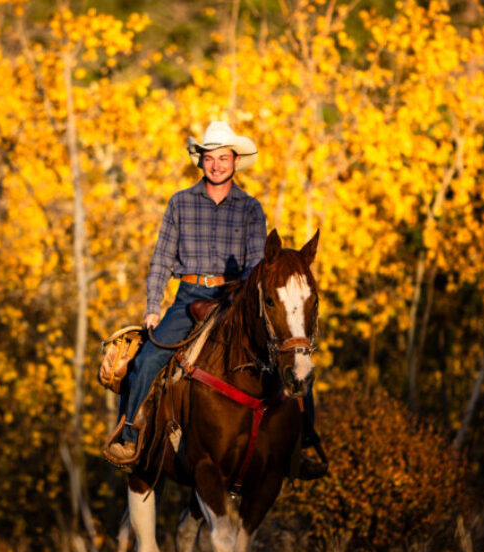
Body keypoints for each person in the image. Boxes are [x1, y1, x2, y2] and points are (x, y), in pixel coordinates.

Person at [104, 121, 327, 480]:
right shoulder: (180, 202)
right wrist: (151, 306)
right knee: (147, 359)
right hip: (188, 296)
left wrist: (248, 298)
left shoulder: (251, 209)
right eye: (210, 158)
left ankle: (301, 444)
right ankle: (129, 435)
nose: (217, 165)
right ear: (201, 161)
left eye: (224, 157)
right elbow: (162, 258)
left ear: (235, 161)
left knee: (294, 358)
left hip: (234, 297)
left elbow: (259, 262)